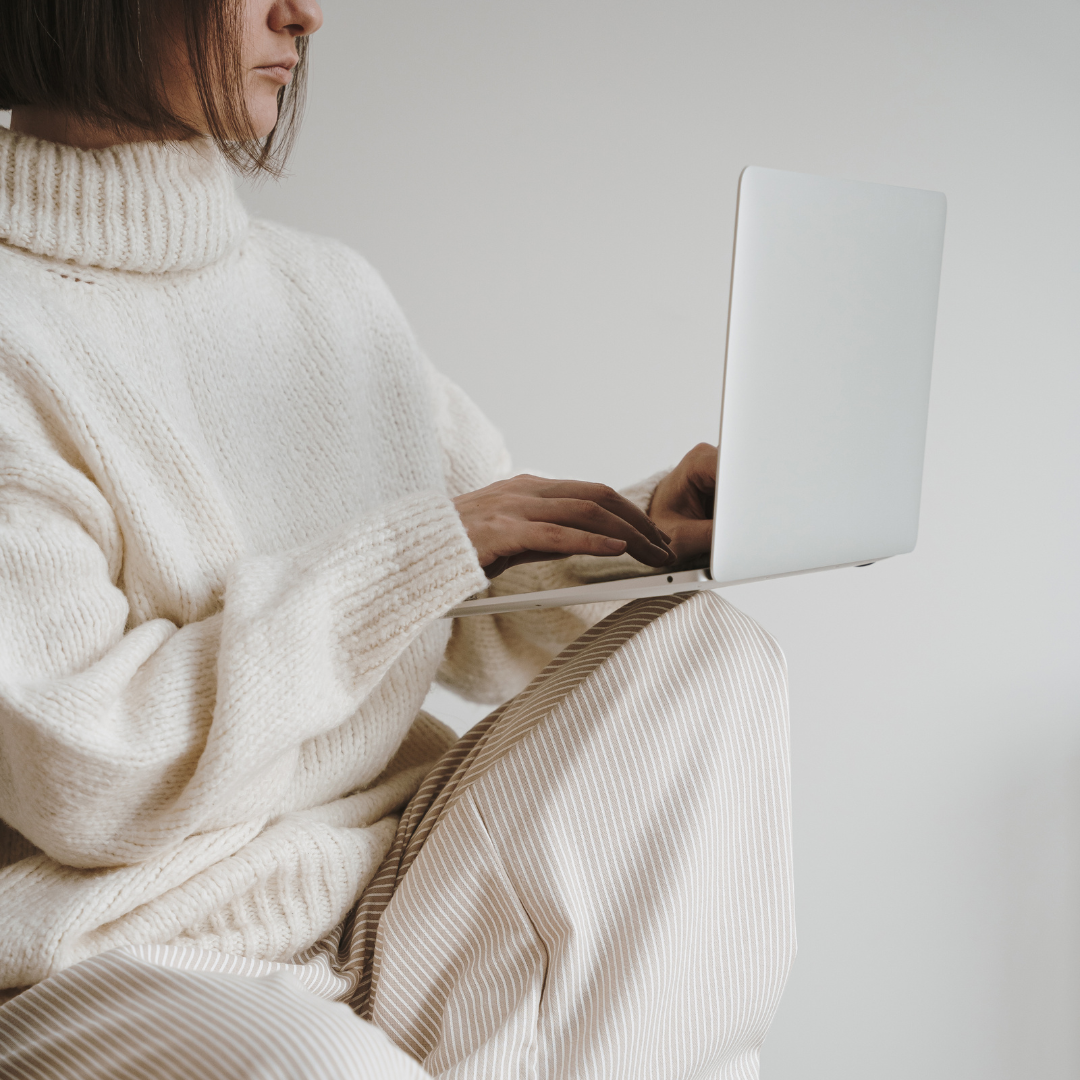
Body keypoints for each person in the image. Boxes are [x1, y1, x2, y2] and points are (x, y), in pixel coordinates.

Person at [0, 2, 795, 1077]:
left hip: (395, 891)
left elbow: (474, 620)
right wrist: (419, 555)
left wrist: (638, 537)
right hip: (114, 954)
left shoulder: (330, 294)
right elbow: (87, 778)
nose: (305, 13)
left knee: (710, 658)